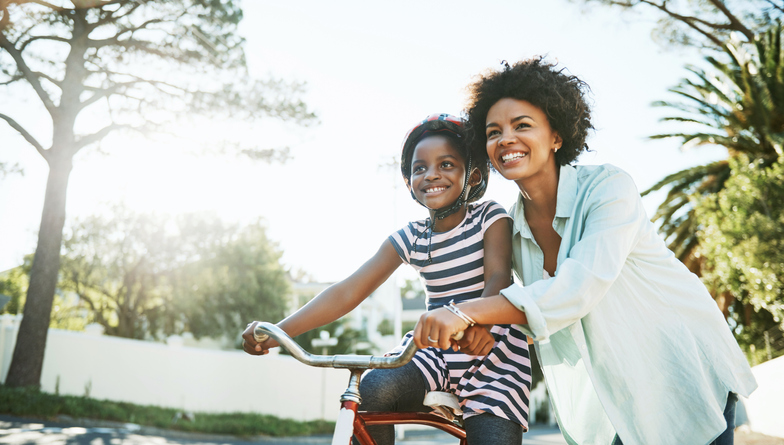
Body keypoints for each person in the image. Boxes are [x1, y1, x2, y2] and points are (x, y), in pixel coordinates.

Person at [412, 58, 758, 445]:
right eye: (493, 132)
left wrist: (463, 312)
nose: (505, 138)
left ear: (556, 136)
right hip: (615, 391)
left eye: (522, 125)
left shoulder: (609, 188)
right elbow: (531, 309)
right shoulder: (511, 227)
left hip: (681, 367)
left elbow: (577, 289)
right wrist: (484, 327)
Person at [242, 114, 532, 445]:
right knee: (372, 389)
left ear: (473, 175)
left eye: (447, 164)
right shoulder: (411, 237)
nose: (431, 174)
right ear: (409, 182)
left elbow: (499, 275)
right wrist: (279, 333)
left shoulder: (489, 217)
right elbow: (348, 291)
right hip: (434, 353)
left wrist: (480, 324)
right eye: (419, 168)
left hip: (493, 356)